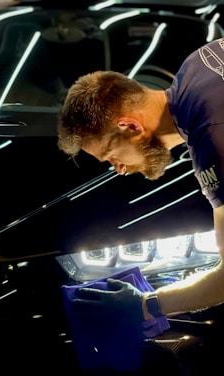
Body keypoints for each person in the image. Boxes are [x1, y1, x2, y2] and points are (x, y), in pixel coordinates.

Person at [57, 37, 224, 322]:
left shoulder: (212, 137)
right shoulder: (199, 62)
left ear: (130, 125)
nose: (120, 169)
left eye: (112, 155)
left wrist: (145, 305)